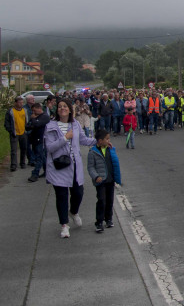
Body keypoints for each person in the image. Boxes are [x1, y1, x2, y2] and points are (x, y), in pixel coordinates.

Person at [44, 98, 97, 239]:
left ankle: (73, 212)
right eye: (60, 106)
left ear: (69, 109)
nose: (62, 109)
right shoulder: (51, 126)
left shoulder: (75, 125)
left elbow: (84, 140)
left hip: (74, 166)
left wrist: (99, 141)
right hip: (58, 166)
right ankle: (64, 225)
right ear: (57, 110)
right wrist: (65, 138)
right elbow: (49, 147)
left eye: (65, 106)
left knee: (78, 192)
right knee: (61, 196)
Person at [87, 129, 122, 233]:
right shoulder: (93, 152)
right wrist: (95, 176)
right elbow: (90, 167)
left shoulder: (110, 149)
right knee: (102, 200)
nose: (109, 140)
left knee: (110, 200)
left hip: (110, 179)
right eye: (107, 139)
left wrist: (117, 177)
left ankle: (108, 219)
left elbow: (115, 163)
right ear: (100, 141)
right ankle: (99, 222)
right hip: (100, 181)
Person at [4, 96, 30, 171]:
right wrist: (10, 130)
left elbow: (27, 120)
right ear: (15, 103)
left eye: (22, 102)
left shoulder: (24, 110)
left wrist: (27, 129)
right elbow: (7, 122)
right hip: (14, 133)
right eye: (19, 102)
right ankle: (13, 165)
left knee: (23, 149)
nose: (21, 104)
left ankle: (22, 163)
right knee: (14, 150)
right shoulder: (11, 111)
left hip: (23, 132)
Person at [27, 102, 50, 182]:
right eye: (32, 111)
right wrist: (33, 121)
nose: (33, 113)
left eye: (34, 110)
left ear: (39, 108)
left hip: (42, 140)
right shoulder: (36, 116)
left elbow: (37, 124)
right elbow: (27, 126)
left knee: (39, 157)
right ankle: (47, 171)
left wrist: (33, 120)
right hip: (35, 139)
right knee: (42, 157)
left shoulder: (45, 117)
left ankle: (35, 173)